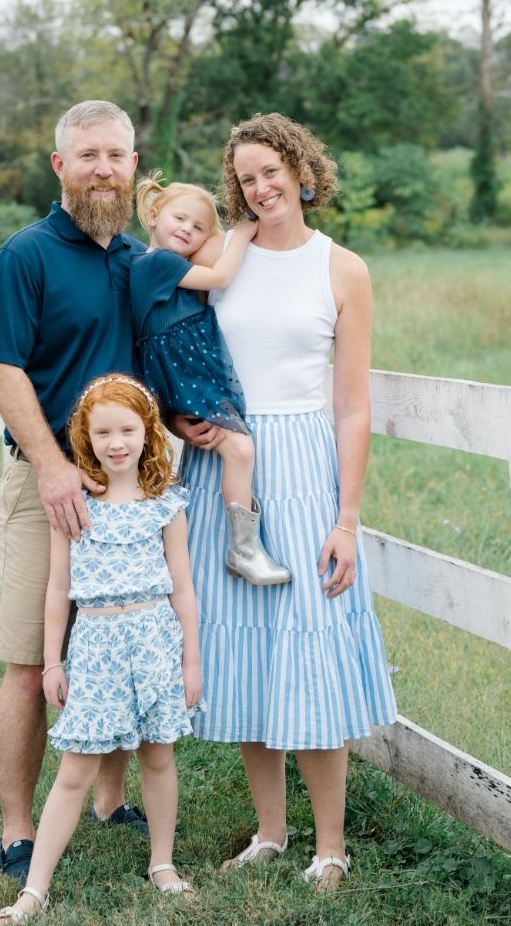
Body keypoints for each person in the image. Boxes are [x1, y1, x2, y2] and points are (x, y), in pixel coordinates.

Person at [174, 113, 396, 890]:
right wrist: (180, 417)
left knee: (309, 643)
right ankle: (270, 831)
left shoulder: (343, 269)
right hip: (225, 466)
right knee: (244, 651)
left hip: (303, 466)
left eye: (271, 171)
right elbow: (175, 343)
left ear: (301, 170)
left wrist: (346, 519)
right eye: (245, 178)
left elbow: (353, 406)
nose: (260, 187)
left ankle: (330, 846)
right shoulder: (218, 257)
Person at [0, 100, 150, 883]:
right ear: (60, 166)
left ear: (133, 165)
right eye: (87, 156)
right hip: (45, 485)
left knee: (114, 644)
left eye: (115, 155)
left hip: (125, 492)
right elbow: (1, 365)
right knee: (27, 659)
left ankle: (110, 799)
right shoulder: (27, 255)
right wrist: (50, 466)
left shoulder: (141, 259)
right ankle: (17, 828)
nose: (102, 169)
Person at [0, 374, 202, 924]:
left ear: (147, 432)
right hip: (97, 647)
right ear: (85, 437)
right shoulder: (77, 505)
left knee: (158, 756)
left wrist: (191, 662)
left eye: (127, 430)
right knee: (75, 770)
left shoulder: (166, 505)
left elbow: (183, 589)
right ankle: (34, 889)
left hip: (154, 641)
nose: (116, 443)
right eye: (103, 432)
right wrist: (52, 662)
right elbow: (57, 589)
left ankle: (162, 863)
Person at [131, 174, 288, 585]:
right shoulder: (159, 263)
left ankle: (232, 546)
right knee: (239, 449)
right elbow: (219, 277)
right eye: (179, 218)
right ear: (153, 215)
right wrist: (244, 232)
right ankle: (244, 550)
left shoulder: (167, 266)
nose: (188, 229)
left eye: (199, 227)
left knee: (232, 447)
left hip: (185, 370)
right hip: (184, 373)